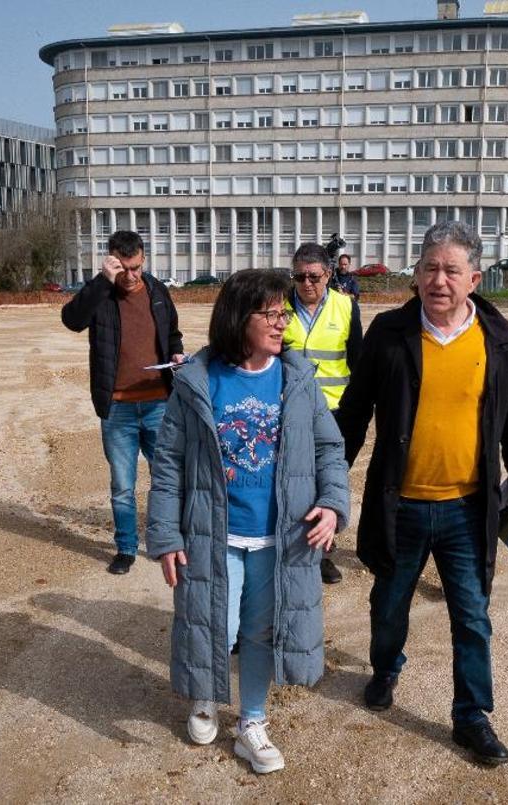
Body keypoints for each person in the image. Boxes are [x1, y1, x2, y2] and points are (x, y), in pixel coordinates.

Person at [336, 221, 508, 767]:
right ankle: (385, 667)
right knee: (389, 603)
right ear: (417, 275)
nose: (438, 280)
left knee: (472, 615)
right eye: (429, 268)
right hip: (399, 503)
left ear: (474, 279)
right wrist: (327, 479)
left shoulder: (498, 338)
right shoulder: (389, 333)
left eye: (451, 270)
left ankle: (471, 715)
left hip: (468, 508)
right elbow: (354, 412)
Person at [147, 269, 349, 774]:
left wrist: (332, 503)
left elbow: (329, 448)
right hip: (213, 534)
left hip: (278, 538)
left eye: (284, 314)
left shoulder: (297, 379)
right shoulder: (198, 380)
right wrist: (166, 534)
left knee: (260, 632)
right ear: (239, 318)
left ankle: (252, 722)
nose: (282, 323)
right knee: (216, 623)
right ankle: (205, 698)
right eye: (271, 314)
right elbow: (168, 462)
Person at [61, 230, 183, 574]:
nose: (131, 276)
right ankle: (126, 548)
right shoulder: (101, 293)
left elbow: (172, 332)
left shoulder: (157, 291)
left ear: (143, 260)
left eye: (136, 268)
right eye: (124, 268)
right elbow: (72, 320)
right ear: (112, 261)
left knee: (167, 480)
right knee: (122, 486)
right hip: (118, 408)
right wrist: (103, 281)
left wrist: (176, 353)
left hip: (159, 404)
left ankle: (167, 541)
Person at [283, 242, 363, 584]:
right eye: (299, 277)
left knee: (328, 482)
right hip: (290, 411)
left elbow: (358, 362)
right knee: (294, 481)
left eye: (314, 277)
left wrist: (358, 413)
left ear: (328, 275)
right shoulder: (279, 306)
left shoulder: (346, 307)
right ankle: (293, 547)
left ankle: (323, 554)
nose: (306, 284)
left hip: (335, 413)